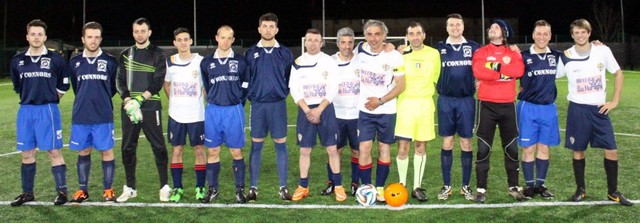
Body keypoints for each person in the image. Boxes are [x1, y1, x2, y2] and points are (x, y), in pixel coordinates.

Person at [556, 19, 632, 206]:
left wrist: (614, 101)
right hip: (577, 110)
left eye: (583, 32)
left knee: (612, 150)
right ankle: (580, 189)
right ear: (572, 35)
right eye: (576, 33)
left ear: (589, 33)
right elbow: (551, 74)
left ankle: (613, 192)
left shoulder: (602, 50)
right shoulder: (565, 56)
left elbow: (618, 73)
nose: (580, 35)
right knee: (578, 151)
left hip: (599, 110)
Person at [10, 19, 70, 206]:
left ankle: (62, 192)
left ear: (45, 37)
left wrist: (51, 98)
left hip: (48, 110)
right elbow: (18, 86)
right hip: (26, 111)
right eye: (33, 34)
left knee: (53, 150)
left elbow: (64, 84)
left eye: (40, 34)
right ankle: (27, 193)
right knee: (27, 153)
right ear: (27, 37)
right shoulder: (17, 60)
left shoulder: (56, 60)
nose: (36, 37)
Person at [116, 17, 170, 202]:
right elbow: (119, 81)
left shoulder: (158, 53)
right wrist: (128, 100)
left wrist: (140, 99)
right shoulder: (125, 53)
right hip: (130, 107)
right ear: (133, 33)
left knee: (159, 147)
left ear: (149, 32)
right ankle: (130, 188)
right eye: (136, 31)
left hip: (150, 105)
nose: (140, 34)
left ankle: (164, 186)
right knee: (127, 148)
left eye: (143, 31)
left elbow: (158, 81)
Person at [472, 19, 525, 203]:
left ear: (504, 32)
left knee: (511, 148)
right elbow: (479, 71)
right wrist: (504, 73)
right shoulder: (481, 51)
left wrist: (494, 68)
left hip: (508, 105)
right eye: (490, 27)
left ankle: (513, 187)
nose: (491, 29)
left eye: (495, 27)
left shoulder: (513, 52)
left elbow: (518, 70)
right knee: (483, 149)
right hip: (486, 105)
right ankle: (481, 190)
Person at [289, 28, 345, 202]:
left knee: (332, 149)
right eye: (309, 40)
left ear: (321, 43)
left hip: (325, 109)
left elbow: (333, 87)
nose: (312, 43)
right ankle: (303, 186)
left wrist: (319, 110)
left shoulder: (329, 61)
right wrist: (308, 111)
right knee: (305, 150)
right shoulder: (297, 62)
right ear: (305, 42)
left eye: (316, 40)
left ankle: (338, 186)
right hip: (305, 110)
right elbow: (294, 89)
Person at [66, 21, 118, 204]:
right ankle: (82, 190)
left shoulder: (110, 61)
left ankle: (108, 189)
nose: (93, 40)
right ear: (83, 39)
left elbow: (113, 87)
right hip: (81, 115)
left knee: (107, 151)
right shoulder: (74, 61)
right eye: (90, 37)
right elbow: (75, 86)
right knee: (83, 151)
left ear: (101, 39)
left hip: (103, 115)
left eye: (96, 37)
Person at [245, 12, 294, 202]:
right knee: (256, 146)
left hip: (277, 105)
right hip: (258, 106)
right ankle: (253, 188)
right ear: (259, 29)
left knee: (281, 145)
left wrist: (280, 92)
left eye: (271, 26)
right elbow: (245, 78)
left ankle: (283, 187)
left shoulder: (285, 52)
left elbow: (290, 78)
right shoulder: (250, 53)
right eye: (264, 26)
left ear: (277, 29)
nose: (268, 29)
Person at [355, 19, 405, 202]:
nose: (373, 38)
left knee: (384, 148)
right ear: (365, 36)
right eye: (369, 34)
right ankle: (367, 188)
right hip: (365, 111)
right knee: (364, 148)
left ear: (384, 35)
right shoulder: (359, 51)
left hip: (387, 110)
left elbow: (401, 86)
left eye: (377, 34)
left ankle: (380, 188)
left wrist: (380, 101)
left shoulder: (394, 56)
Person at [200, 25, 250, 204]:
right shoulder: (206, 62)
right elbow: (206, 85)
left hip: (233, 111)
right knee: (212, 151)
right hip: (213, 111)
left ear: (233, 40)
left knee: (236, 151)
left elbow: (246, 84)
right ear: (216, 38)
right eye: (223, 37)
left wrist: (238, 101)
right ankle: (213, 189)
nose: (226, 41)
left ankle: (239, 190)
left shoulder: (241, 61)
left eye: (229, 38)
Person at [435, 13, 480, 201]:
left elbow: (490, 60)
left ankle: (465, 186)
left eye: (458, 25)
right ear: (446, 28)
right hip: (445, 100)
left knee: (466, 142)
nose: (455, 28)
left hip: (466, 100)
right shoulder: (438, 48)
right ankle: (446, 186)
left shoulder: (474, 47)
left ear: (463, 27)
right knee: (447, 142)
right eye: (451, 25)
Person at [395, 22, 440, 202]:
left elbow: (435, 77)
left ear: (423, 35)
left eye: (418, 33)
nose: (415, 36)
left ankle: (416, 187)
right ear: (407, 36)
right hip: (405, 105)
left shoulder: (433, 54)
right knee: (403, 146)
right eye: (411, 33)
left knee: (420, 146)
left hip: (425, 105)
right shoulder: (400, 54)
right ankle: (402, 185)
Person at [517, 20, 561, 199]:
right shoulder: (522, 55)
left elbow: (580, 53)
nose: (542, 37)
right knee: (528, 148)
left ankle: (540, 185)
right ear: (533, 35)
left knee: (544, 148)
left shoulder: (558, 56)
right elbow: (510, 74)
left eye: (546, 34)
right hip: (528, 108)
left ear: (550, 36)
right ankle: (528, 186)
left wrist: (596, 45)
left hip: (548, 109)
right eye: (539, 34)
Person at [163, 27, 206, 202]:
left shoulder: (201, 61)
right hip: (176, 115)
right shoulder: (169, 62)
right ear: (175, 43)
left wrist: (200, 100)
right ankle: (178, 188)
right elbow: (166, 84)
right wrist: (173, 100)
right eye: (179, 40)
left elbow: (206, 87)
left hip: (197, 115)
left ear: (191, 41)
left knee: (199, 150)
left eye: (185, 39)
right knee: (177, 150)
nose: (183, 42)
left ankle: (200, 187)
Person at [320, 27, 361, 197]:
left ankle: (355, 183)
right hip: (335, 114)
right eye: (343, 42)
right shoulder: (329, 61)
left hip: (357, 114)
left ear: (354, 43)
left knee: (357, 151)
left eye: (350, 42)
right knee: (335, 150)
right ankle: (333, 183)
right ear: (337, 43)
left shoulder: (361, 60)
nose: (347, 46)